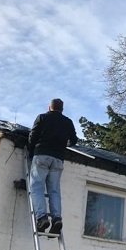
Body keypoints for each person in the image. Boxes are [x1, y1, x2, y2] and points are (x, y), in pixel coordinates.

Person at [28, 98, 78, 234]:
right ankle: (56, 219)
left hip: (42, 155)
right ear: (62, 109)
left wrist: (31, 152)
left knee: (37, 186)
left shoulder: (42, 118)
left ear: (49, 107)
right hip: (58, 159)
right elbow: (74, 140)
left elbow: (33, 136)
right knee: (54, 190)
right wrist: (62, 145)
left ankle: (42, 218)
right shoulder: (68, 122)